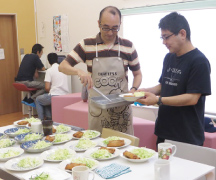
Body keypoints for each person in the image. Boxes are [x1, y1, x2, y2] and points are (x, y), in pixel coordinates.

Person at [59, 6, 142, 134]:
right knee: (99, 149)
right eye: (106, 27)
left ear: (120, 24)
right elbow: (62, 66)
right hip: (98, 112)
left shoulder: (128, 46)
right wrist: (78, 71)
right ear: (98, 24)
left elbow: (137, 74)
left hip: (122, 112)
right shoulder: (87, 44)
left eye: (115, 28)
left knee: (125, 149)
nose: (110, 33)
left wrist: (133, 90)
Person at [137, 12, 211, 146]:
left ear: (182, 34)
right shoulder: (169, 57)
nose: (164, 42)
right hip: (165, 131)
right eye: (162, 37)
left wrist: (158, 100)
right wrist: (145, 91)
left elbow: (192, 98)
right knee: (161, 166)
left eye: (166, 37)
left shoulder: (199, 61)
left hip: (187, 135)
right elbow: (164, 85)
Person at [35, 53, 69, 120]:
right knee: (46, 97)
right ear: (57, 59)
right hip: (65, 95)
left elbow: (47, 88)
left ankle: (41, 121)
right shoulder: (63, 69)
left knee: (38, 100)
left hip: (55, 96)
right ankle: (49, 118)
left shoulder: (49, 70)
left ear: (48, 61)